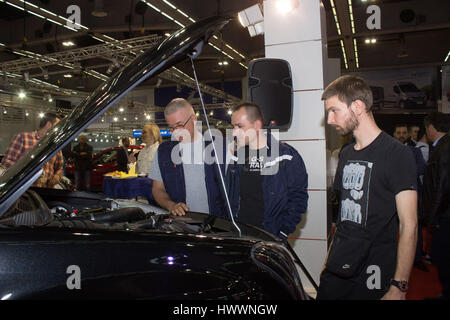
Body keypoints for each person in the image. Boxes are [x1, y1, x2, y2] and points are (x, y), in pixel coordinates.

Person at [318, 75, 418, 300]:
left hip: (375, 267)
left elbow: (409, 224)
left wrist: (399, 286)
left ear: (358, 106)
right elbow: (341, 217)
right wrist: (327, 262)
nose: (330, 118)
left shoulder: (397, 154)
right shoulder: (345, 153)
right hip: (338, 265)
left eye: (334, 110)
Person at [225, 102, 308, 239]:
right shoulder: (236, 156)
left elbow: (298, 197)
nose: (234, 132)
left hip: (270, 234)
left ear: (257, 125)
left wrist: (282, 232)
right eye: (233, 126)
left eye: (239, 126)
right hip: (240, 233)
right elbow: (229, 194)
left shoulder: (285, 156)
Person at [149, 98, 225, 217]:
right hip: (182, 224)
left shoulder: (218, 147)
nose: (176, 132)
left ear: (194, 119)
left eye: (180, 125)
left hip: (218, 224)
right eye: (172, 128)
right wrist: (171, 205)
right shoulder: (163, 152)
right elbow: (157, 189)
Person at [421, 111, 450, 299]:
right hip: (445, 213)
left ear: (431, 128)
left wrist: (433, 216)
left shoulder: (444, 149)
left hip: (445, 216)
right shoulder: (444, 146)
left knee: (442, 254)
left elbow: (442, 185)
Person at [0, 112, 64, 188]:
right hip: (24, 191)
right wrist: (26, 173)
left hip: (46, 192)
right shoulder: (23, 138)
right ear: (48, 125)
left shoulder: (54, 144)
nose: (59, 130)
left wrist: (56, 177)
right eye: (57, 126)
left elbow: (60, 168)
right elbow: (6, 164)